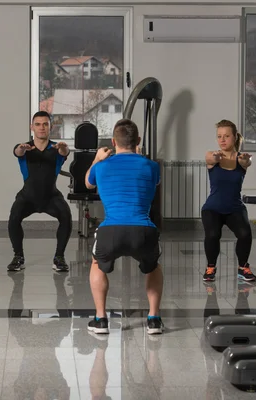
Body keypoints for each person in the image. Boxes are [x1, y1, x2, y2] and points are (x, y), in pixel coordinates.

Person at [85, 118, 164, 335]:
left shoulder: (101, 166)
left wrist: (97, 158)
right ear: (138, 141)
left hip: (111, 231)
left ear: (113, 142)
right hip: (143, 231)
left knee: (96, 264)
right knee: (154, 266)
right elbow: (155, 182)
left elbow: (88, 183)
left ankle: (100, 319)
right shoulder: (152, 166)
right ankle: (154, 320)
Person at [7, 111, 72, 272]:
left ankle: (59, 258)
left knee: (66, 216)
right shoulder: (25, 148)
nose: (41, 128)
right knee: (14, 217)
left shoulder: (57, 148)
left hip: (50, 197)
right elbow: (17, 152)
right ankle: (18, 257)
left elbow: (65, 153)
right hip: (28, 197)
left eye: (45, 124)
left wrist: (64, 148)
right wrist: (20, 148)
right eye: (38, 124)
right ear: (32, 127)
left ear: (50, 127)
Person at [201, 119, 255, 283]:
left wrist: (245, 159)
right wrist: (216, 157)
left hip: (234, 208)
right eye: (219, 136)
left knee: (245, 234)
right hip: (212, 208)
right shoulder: (212, 156)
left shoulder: (242, 159)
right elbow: (210, 158)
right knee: (212, 234)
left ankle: (243, 268)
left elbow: (248, 162)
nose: (222, 140)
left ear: (234, 137)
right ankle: (210, 267)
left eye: (226, 136)